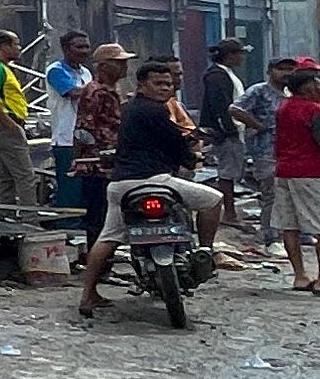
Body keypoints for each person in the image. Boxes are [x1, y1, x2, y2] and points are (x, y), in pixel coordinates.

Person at [76, 56, 225, 318]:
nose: (165, 88)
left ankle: (88, 294)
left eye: (168, 83)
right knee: (214, 200)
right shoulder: (156, 110)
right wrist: (190, 158)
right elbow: (176, 146)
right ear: (143, 85)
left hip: (121, 185)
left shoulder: (131, 108)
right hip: (154, 180)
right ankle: (205, 252)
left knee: (108, 237)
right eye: (158, 83)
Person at [271, 66, 320, 296]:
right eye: (317, 83)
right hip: (311, 171)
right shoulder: (316, 111)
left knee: (290, 224)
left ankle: (300, 275)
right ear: (307, 87)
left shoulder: (284, 108)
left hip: (284, 170)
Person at [67, 43, 133, 250]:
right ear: (104, 66)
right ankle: (98, 265)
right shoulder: (95, 92)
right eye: (119, 63)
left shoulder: (113, 91)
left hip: (113, 161)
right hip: (97, 163)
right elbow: (83, 129)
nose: (124, 67)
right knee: (99, 216)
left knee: (111, 215)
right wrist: (82, 158)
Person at [0, 30, 41, 206]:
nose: (19, 48)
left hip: (2, 126)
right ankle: (30, 219)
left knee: (6, 176)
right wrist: (10, 124)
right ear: (4, 46)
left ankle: (5, 214)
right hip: (4, 127)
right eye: (16, 44)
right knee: (26, 176)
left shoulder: (2, 68)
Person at [196, 40, 252, 216]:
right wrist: (228, 129)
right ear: (230, 55)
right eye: (240, 54)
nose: (242, 58)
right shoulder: (217, 76)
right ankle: (229, 213)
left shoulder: (224, 74)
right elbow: (221, 106)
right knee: (227, 173)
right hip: (227, 132)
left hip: (231, 130)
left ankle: (229, 210)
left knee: (231, 171)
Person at [43, 32, 93, 207]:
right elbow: (72, 93)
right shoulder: (56, 70)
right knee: (69, 185)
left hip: (85, 138)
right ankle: (67, 222)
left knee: (86, 184)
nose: (84, 51)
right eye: (79, 47)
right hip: (66, 138)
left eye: (86, 46)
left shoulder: (86, 73)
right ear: (65, 49)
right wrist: (100, 89)